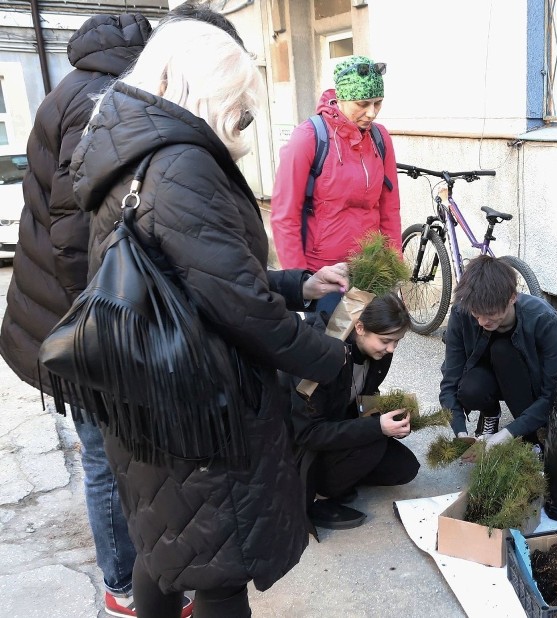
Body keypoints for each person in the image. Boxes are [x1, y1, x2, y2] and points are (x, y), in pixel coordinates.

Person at [69, 19, 349, 618]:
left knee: (164, 544)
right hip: (199, 403)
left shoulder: (129, 149)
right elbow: (238, 304)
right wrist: (330, 358)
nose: (243, 117)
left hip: (149, 385)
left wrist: (300, 282)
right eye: (239, 103)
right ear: (208, 92)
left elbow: (189, 278)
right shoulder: (182, 163)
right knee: (220, 569)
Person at [0, 14, 164, 618]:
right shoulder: (103, 97)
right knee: (104, 456)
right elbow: (73, 235)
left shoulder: (71, 88)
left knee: (107, 453)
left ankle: (130, 575)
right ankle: (122, 583)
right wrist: (96, 318)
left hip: (52, 311)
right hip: (75, 318)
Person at [270, 55, 402, 316]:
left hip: (369, 270)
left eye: (378, 103)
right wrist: (301, 283)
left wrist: (393, 264)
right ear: (341, 99)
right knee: (330, 350)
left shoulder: (380, 138)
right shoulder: (308, 137)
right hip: (324, 274)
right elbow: (285, 216)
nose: (372, 112)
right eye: (363, 104)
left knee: (376, 350)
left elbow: (389, 208)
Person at [290, 293, 420, 530]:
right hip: (303, 452)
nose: (391, 349)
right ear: (359, 327)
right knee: (375, 442)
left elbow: (360, 395)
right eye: (385, 341)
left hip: (337, 429)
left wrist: (390, 419)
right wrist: (376, 427)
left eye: (397, 342)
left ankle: (341, 476)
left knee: (405, 468)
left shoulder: (376, 354)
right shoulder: (322, 357)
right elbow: (307, 433)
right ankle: (320, 493)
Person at [440, 256, 557, 448]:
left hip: (526, 382)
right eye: (476, 314)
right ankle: (490, 412)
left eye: (489, 314)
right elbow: (449, 382)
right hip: (487, 378)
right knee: (469, 389)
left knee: (502, 350)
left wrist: (509, 433)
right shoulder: (462, 312)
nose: (481, 322)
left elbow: (549, 394)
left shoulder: (543, 319)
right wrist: (460, 432)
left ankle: (530, 437)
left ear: (512, 297)